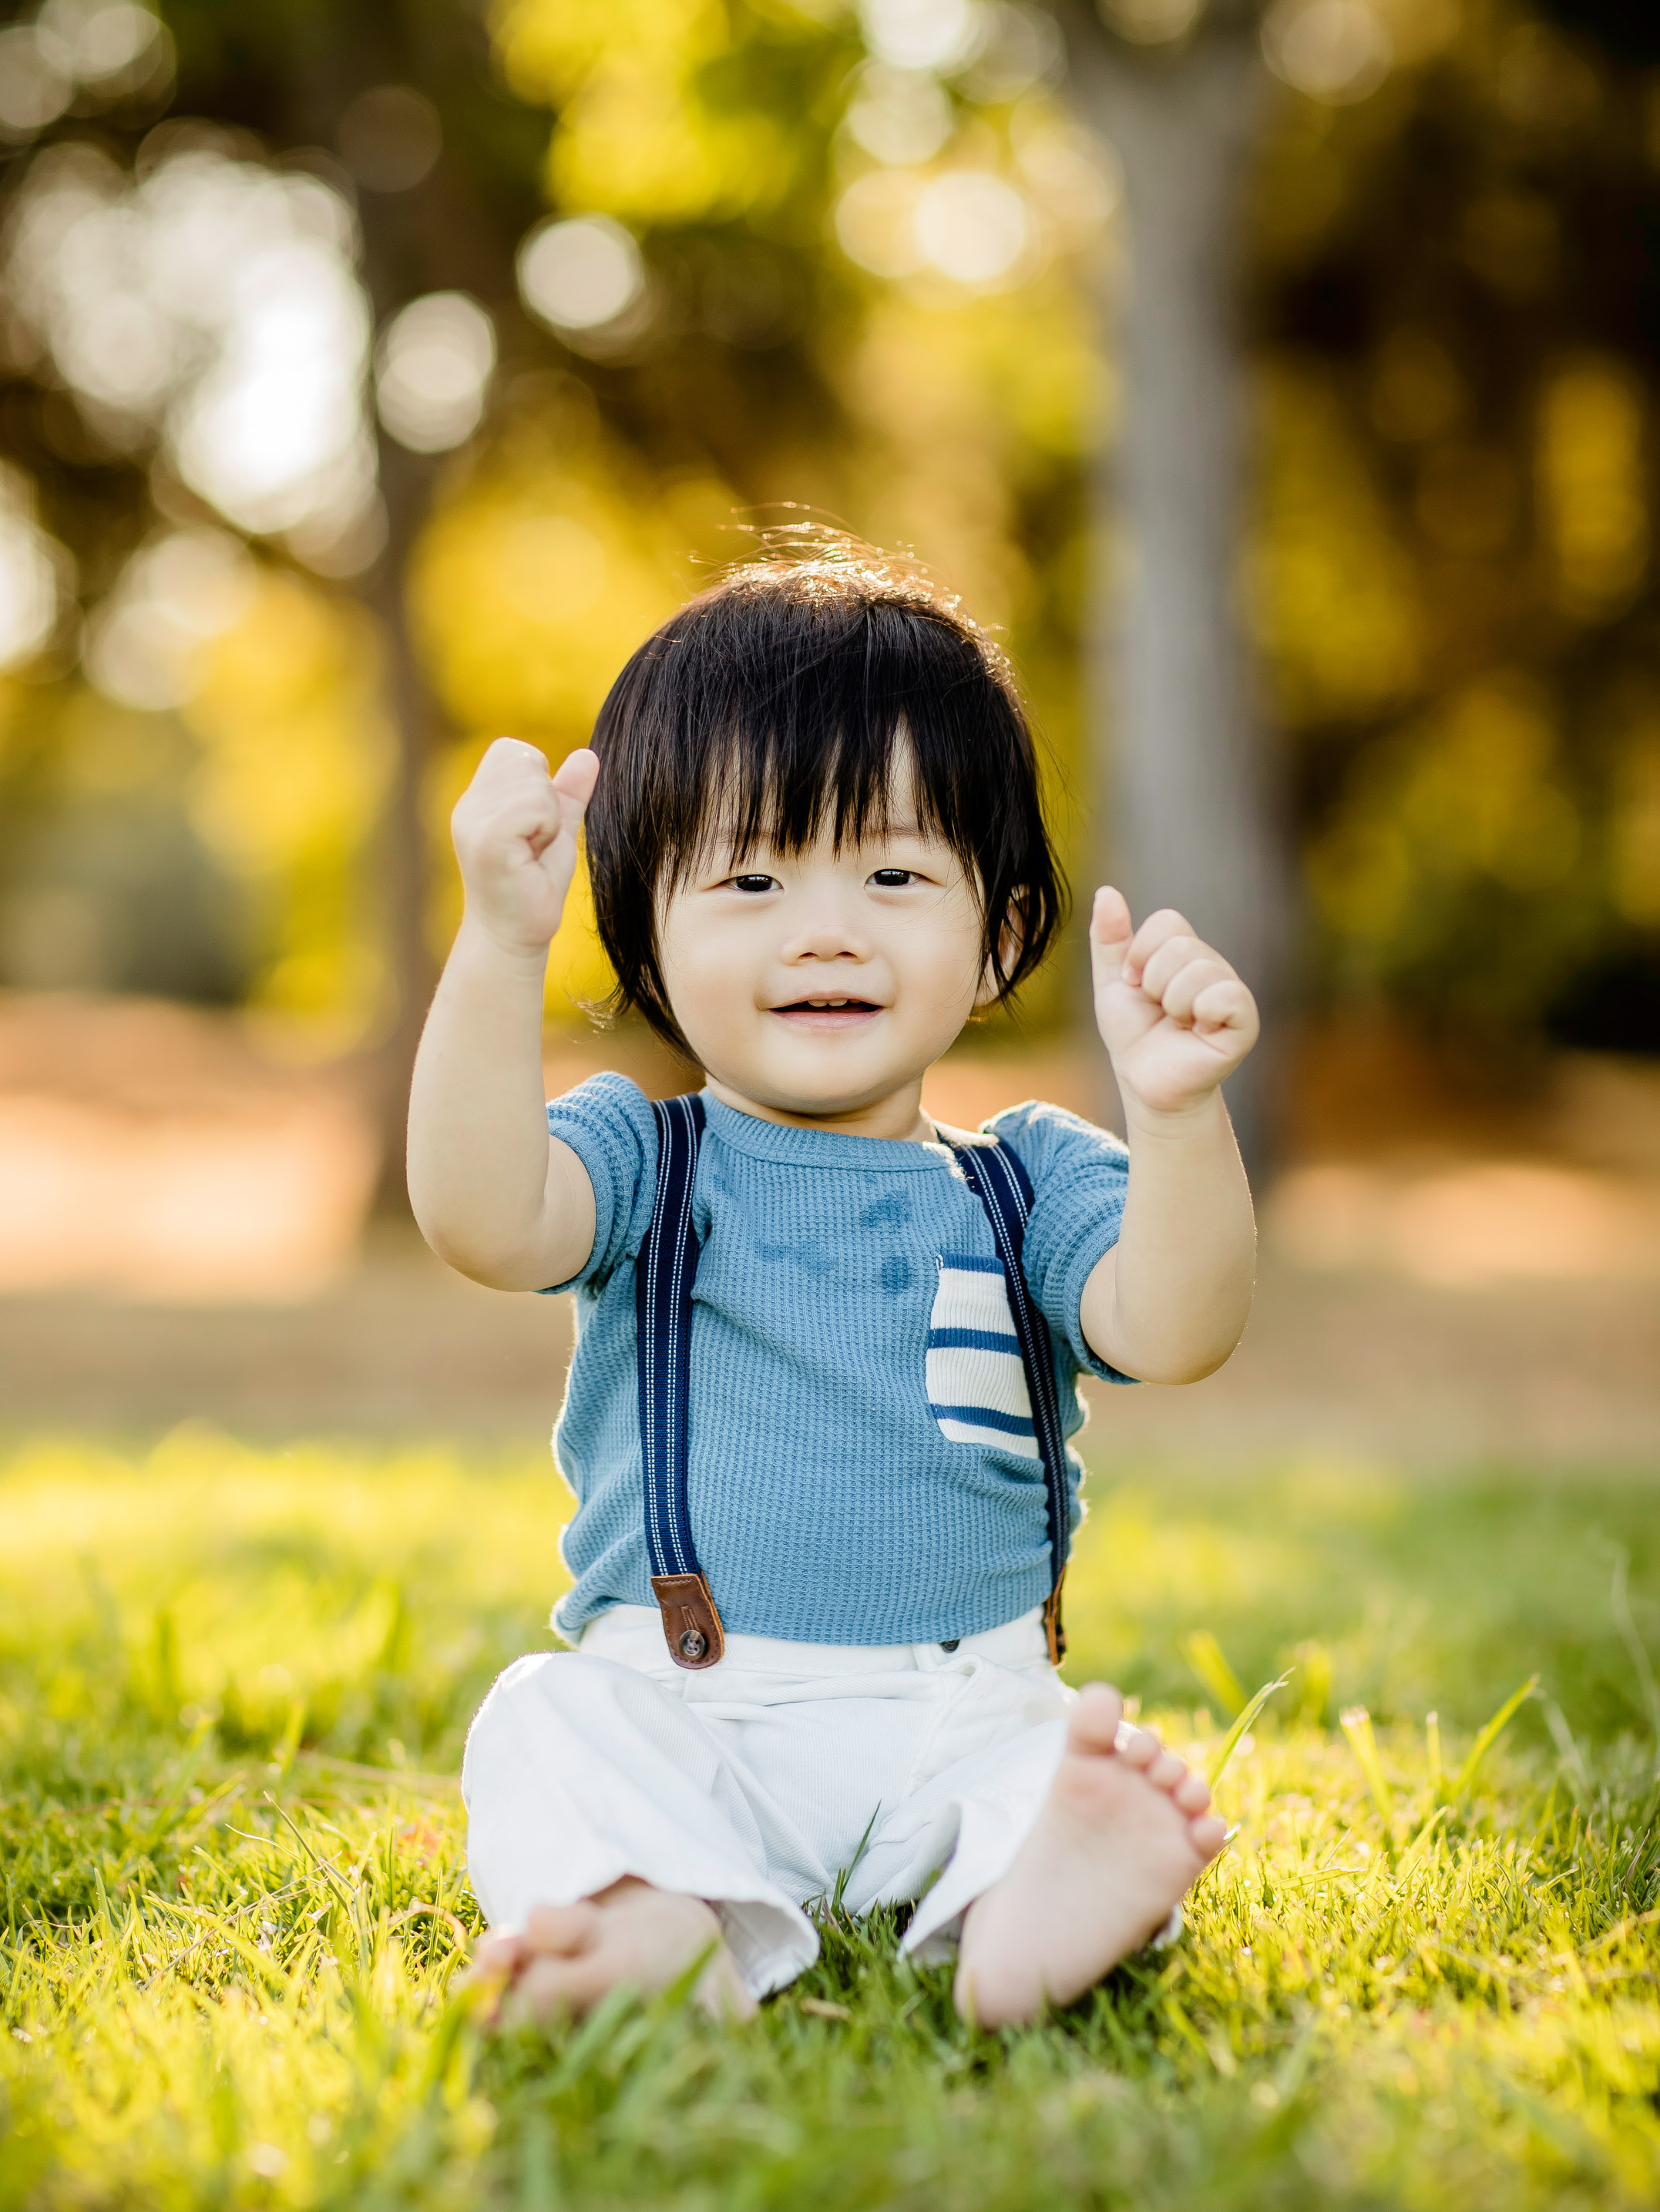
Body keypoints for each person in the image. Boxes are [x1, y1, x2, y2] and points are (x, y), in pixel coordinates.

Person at [407, 545, 1258, 2030]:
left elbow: (1175, 1330)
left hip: (961, 1709)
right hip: (689, 1708)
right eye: (749, 876)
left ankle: (1027, 1905)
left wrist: (1176, 1115)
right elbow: (481, 1219)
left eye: (892, 871)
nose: (825, 927)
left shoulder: (1031, 1183)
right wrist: (495, 945)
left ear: (996, 935)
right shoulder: (644, 1162)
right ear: (649, 938)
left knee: (1050, 1768)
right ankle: (650, 1923)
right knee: (545, 1724)